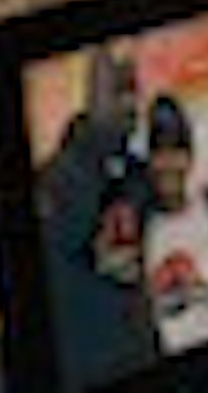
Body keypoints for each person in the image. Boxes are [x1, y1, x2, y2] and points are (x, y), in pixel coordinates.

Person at [32, 42, 151, 376]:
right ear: (89, 96)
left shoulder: (138, 177)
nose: (130, 104)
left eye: (134, 91)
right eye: (117, 90)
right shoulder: (57, 180)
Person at [134, 89, 208, 350]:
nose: (168, 164)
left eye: (176, 152)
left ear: (190, 157)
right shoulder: (140, 229)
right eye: (160, 153)